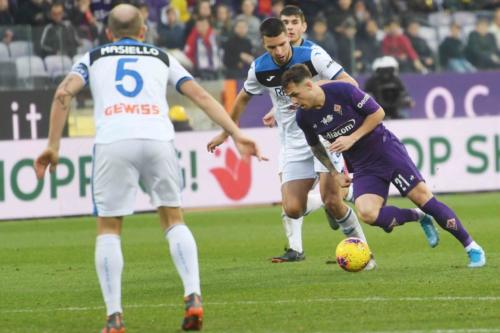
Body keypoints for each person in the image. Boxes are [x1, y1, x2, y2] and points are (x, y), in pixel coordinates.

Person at [33, 4, 265, 332]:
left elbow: (63, 93)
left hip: (114, 140)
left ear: (109, 32)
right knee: (173, 220)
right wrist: (237, 133)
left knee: (109, 228)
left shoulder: (94, 57)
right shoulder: (161, 56)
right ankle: (193, 295)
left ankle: (114, 317)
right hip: (158, 138)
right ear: (144, 32)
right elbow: (199, 95)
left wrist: (53, 145)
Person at [281, 63, 486, 268]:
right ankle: (418, 216)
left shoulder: (342, 91)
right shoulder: (303, 116)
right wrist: (334, 174)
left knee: (423, 198)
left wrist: (352, 138)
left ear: (309, 85)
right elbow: (315, 146)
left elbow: (378, 113)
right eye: (291, 97)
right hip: (363, 165)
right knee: (368, 214)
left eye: (296, 95)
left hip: (386, 151)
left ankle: (472, 247)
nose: (294, 101)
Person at [207, 17, 374, 267]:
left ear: (289, 37)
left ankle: (364, 254)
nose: (279, 52)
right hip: (293, 142)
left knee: (332, 200)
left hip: (324, 135)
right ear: (264, 45)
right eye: (272, 47)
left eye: (283, 44)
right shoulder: (259, 69)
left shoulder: (312, 55)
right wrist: (227, 131)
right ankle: (342, 196)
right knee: (293, 208)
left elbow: (350, 84)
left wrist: (312, 89)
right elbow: (242, 99)